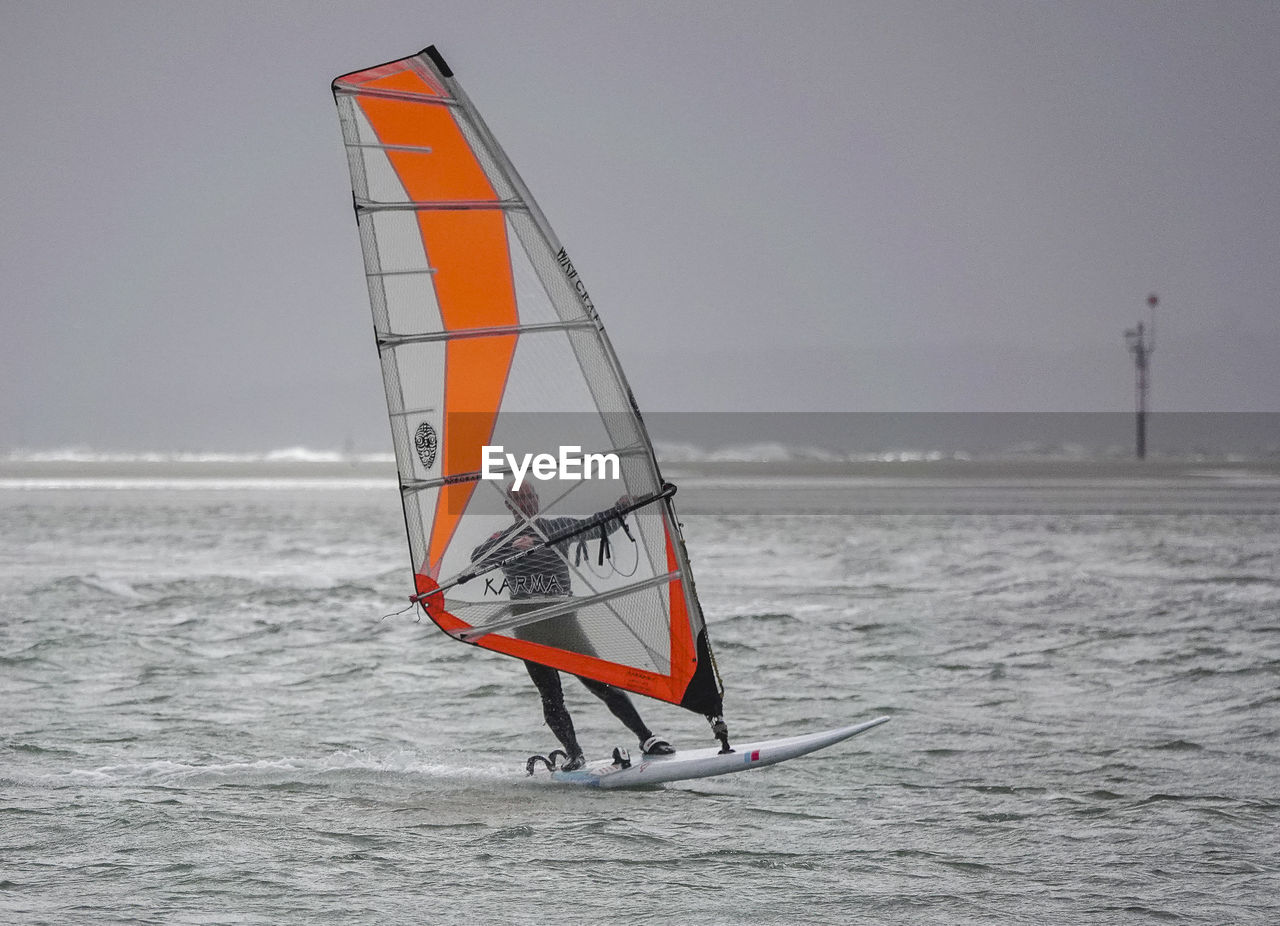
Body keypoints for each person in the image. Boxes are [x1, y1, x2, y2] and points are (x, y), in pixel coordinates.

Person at [471, 481, 675, 770]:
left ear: (538, 500)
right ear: (509, 506)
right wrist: (509, 546)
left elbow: (595, 525)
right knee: (551, 696)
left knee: (601, 682)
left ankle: (647, 738)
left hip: (563, 621)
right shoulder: (502, 538)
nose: (527, 503)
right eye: (520, 499)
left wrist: (621, 509)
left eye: (531, 497)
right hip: (529, 627)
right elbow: (477, 557)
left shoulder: (557, 529)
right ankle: (574, 753)